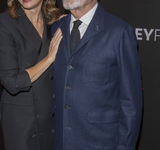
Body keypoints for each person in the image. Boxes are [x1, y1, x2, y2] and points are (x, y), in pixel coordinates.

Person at [51, 0, 142, 149]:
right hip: (62, 142)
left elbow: (131, 103)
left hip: (101, 142)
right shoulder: (56, 28)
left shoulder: (119, 31)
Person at [0, 0, 62, 149]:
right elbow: (11, 82)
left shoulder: (54, 23)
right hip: (22, 120)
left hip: (50, 116)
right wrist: (49, 58)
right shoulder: (4, 23)